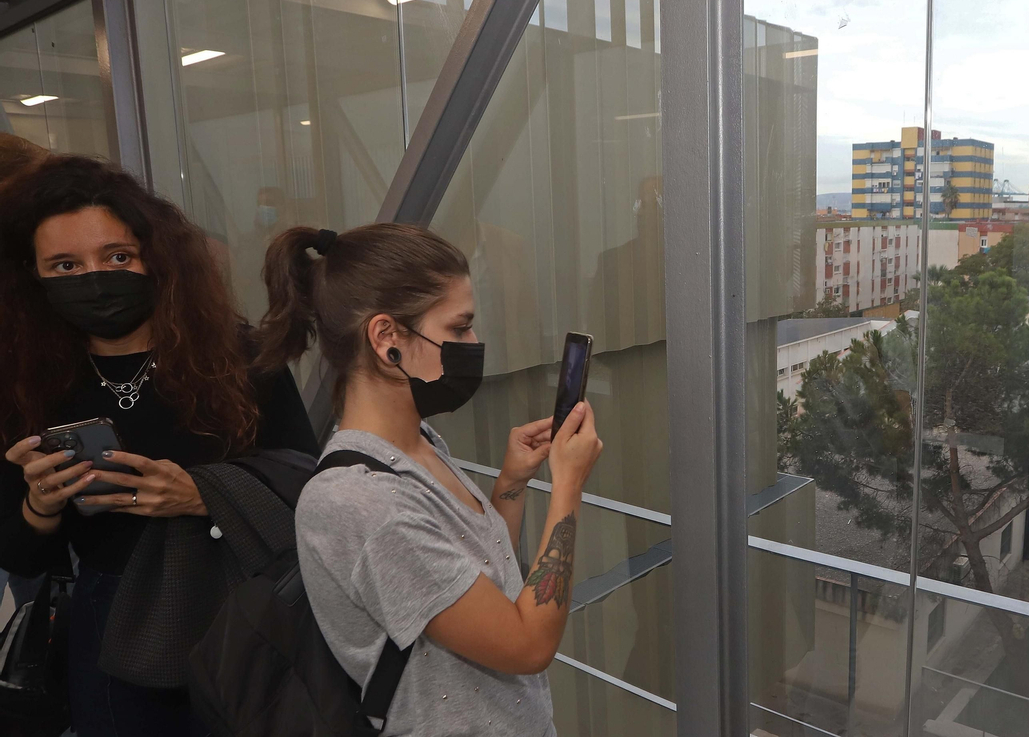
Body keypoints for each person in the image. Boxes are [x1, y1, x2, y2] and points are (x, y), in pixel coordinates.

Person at [0, 155, 318, 736]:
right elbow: (20, 558)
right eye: (65, 265)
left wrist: (203, 493)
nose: (93, 278)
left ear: (157, 256)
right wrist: (40, 505)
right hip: (111, 625)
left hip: (243, 611)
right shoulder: (27, 383)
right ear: (34, 278)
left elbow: (310, 484)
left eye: (116, 256)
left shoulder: (239, 357)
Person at [257, 223, 603, 736]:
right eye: (459, 328)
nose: (474, 342)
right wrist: (567, 489)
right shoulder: (360, 503)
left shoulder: (417, 443)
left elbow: (472, 580)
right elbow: (527, 645)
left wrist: (511, 483)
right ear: (386, 338)